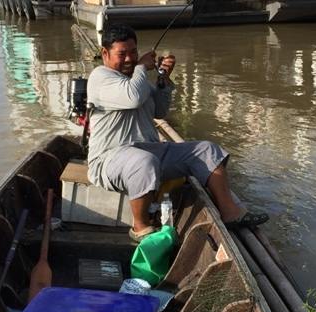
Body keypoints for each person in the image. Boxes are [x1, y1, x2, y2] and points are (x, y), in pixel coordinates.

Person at [86, 23, 268, 241]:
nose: (129, 59)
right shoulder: (100, 77)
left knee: (207, 150)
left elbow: (160, 111)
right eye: (122, 54)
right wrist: (142, 67)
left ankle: (231, 213)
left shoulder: (135, 80)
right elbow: (133, 98)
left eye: (133, 52)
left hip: (150, 151)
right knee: (142, 162)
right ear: (105, 53)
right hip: (110, 158)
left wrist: (163, 78)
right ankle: (140, 228)